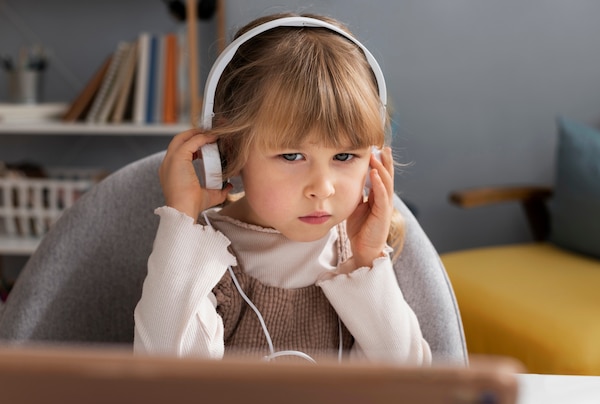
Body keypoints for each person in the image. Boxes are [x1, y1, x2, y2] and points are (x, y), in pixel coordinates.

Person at [134, 12, 431, 365]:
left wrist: (367, 261)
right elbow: (165, 379)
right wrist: (181, 220)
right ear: (227, 150)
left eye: (344, 155)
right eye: (291, 155)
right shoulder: (200, 256)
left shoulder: (357, 253)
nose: (322, 189)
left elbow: (406, 387)